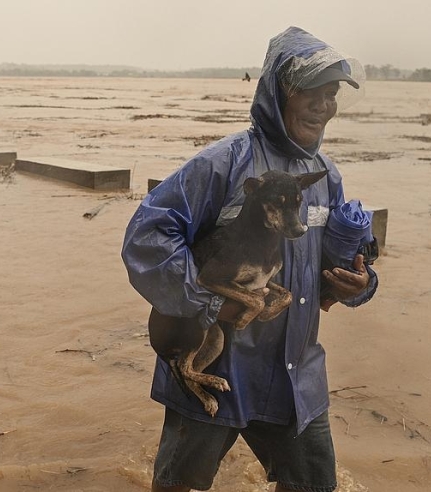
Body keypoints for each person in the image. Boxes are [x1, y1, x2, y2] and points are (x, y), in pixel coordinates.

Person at [121, 27, 378, 492]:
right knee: (180, 484)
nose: (323, 105)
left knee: (314, 485)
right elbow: (148, 238)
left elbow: (325, 273)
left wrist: (355, 285)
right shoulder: (224, 163)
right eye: (309, 92)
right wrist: (209, 304)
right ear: (278, 94)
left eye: (332, 93)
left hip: (296, 372)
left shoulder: (325, 179)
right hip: (219, 365)